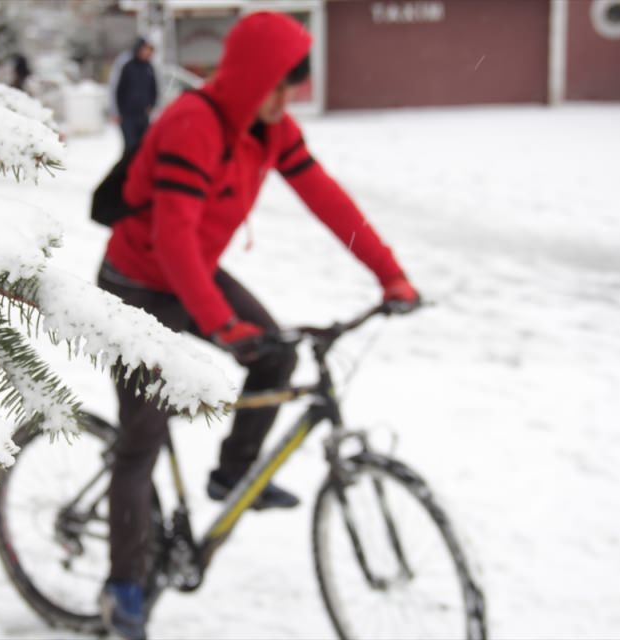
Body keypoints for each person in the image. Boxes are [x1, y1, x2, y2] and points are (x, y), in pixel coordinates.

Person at [95, 11, 420, 640]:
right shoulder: (193, 124)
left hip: (190, 271)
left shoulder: (268, 129)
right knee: (143, 441)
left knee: (274, 356)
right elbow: (173, 235)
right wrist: (220, 324)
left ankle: (232, 473)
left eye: (294, 85)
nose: (289, 96)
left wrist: (391, 275)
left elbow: (329, 200)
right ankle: (124, 587)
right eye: (281, 83)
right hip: (136, 284)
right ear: (251, 78)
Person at [114, 36, 158, 150]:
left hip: (143, 115)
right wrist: (117, 112)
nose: (147, 53)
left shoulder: (149, 67)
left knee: (143, 146)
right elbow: (117, 90)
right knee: (130, 147)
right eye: (145, 49)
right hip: (128, 116)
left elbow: (154, 88)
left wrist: (152, 104)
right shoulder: (127, 66)